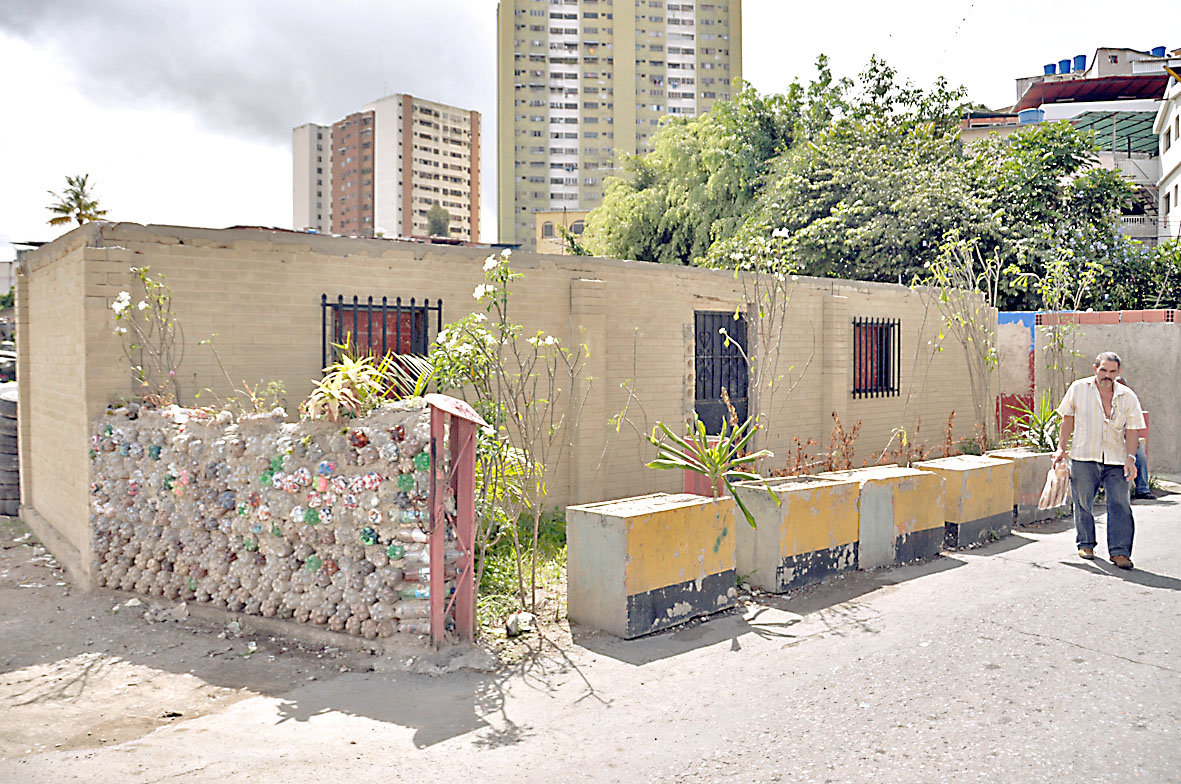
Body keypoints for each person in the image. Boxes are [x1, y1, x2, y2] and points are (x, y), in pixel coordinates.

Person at [1052, 352, 1145, 569]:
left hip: (1116, 459)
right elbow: (1068, 419)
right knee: (1083, 502)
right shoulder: (1078, 388)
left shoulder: (1127, 396)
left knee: (1120, 504)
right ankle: (1086, 543)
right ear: (1095, 368)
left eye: (1112, 371)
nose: (1107, 375)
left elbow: (1132, 429)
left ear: (1118, 372)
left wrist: (1130, 459)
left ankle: (1120, 552)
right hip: (1084, 455)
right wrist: (1061, 449)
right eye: (1103, 370)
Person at [1116, 376, 1153, 500]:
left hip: (1125, 439)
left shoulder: (1128, 401)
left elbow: (1132, 425)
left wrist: (1133, 440)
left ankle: (1142, 490)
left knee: (1140, 456)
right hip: (1107, 440)